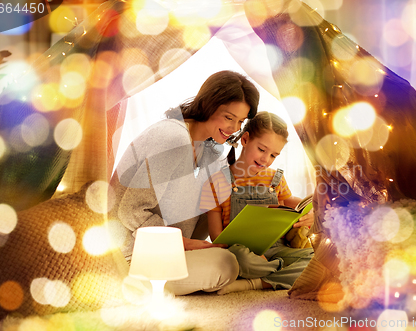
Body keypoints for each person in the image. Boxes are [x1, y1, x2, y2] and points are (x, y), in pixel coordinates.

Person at [109, 70, 260, 295]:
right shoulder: (173, 138)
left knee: (241, 258)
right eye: (229, 117)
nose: (234, 128)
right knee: (224, 265)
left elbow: (212, 212)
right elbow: (131, 211)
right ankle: (133, 286)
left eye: (240, 121)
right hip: (132, 255)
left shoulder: (213, 150)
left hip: (172, 249)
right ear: (208, 105)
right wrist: (185, 244)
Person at [199, 111, 314, 295]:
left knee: (314, 259)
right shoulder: (216, 182)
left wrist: (311, 212)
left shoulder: (275, 178)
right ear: (245, 140)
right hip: (241, 252)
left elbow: (290, 204)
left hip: (277, 249)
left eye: (273, 155)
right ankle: (279, 273)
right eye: (262, 150)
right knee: (239, 259)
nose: (265, 159)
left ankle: (255, 283)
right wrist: (251, 254)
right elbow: (216, 236)